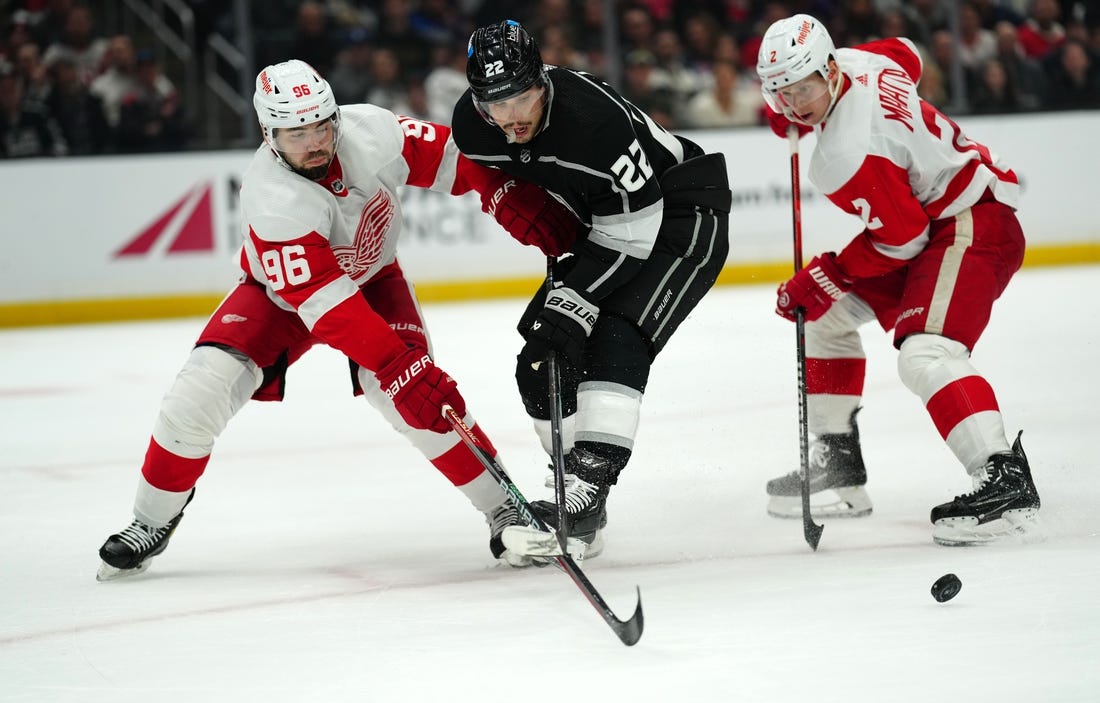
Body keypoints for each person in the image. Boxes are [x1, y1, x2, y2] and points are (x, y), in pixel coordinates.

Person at [96, 59, 577, 580]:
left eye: (322, 124)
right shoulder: (272, 199)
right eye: (296, 132)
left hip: (375, 280)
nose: (315, 141)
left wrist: (503, 191)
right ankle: (150, 520)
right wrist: (397, 364)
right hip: (278, 300)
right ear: (268, 133)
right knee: (198, 393)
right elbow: (327, 307)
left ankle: (503, 508)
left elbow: (451, 157)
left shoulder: (371, 128)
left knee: (419, 403)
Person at [755, 14, 1041, 546]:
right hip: (938, 218)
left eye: (803, 89)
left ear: (830, 69)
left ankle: (1004, 481)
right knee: (825, 318)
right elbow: (908, 52)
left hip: (971, 220)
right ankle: (839, 462)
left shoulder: (845, 155)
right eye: (781, 93)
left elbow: (901, 240)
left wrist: (828, 274)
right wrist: (804, 105)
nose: (793, 105)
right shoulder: (867, 60)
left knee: (926, 352)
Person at [450, 20, 731, 559]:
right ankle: (575, 492)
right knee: (541, 359)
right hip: (602, 229)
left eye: (521, 97)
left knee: (615, 337)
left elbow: (637, 230)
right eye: (494, 103)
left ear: (543, 81)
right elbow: (493, 170)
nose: (510, 118)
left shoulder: (593, 121)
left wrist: (573, 298)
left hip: (681, 216)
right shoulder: (474, 124)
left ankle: (588, 488)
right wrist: (515, 204)